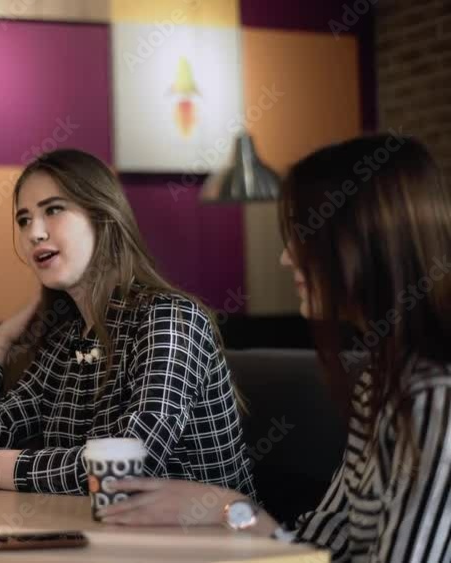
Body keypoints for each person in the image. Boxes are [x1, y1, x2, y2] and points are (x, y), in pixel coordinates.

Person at [96, 135, 451, 562]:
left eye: (305, 234)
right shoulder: (382, 379)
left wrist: (225, 508)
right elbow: (320, 546)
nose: (286, 258)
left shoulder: (434, 399)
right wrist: (224, 506)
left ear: (366, 241)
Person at [0, 149, 254, 497]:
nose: (34, 232)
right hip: (108, 539)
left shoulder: (171, 318)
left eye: (53, 210)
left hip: (208, 545)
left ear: (103, 217)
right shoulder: (70, 338)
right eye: (24, 219)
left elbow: (132, 464)